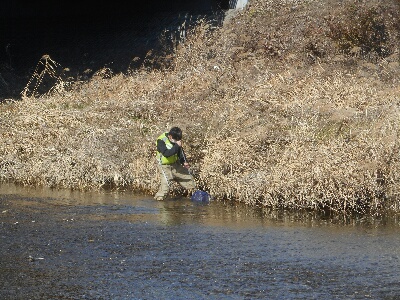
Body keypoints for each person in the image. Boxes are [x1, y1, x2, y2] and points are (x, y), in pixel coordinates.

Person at [154, 127, 196, 201]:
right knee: (165, 188)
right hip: (164, 166)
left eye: (179, 140)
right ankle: (159, 203)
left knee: (189, 180)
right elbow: (166, 153)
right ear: (170, 136)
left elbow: (180, 151)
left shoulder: (176, 141)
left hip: (175, 164)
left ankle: (195, 195)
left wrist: (184, 161)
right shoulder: (161, 140)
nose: (177, 142)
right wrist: (177, 145)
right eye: (176, 140)